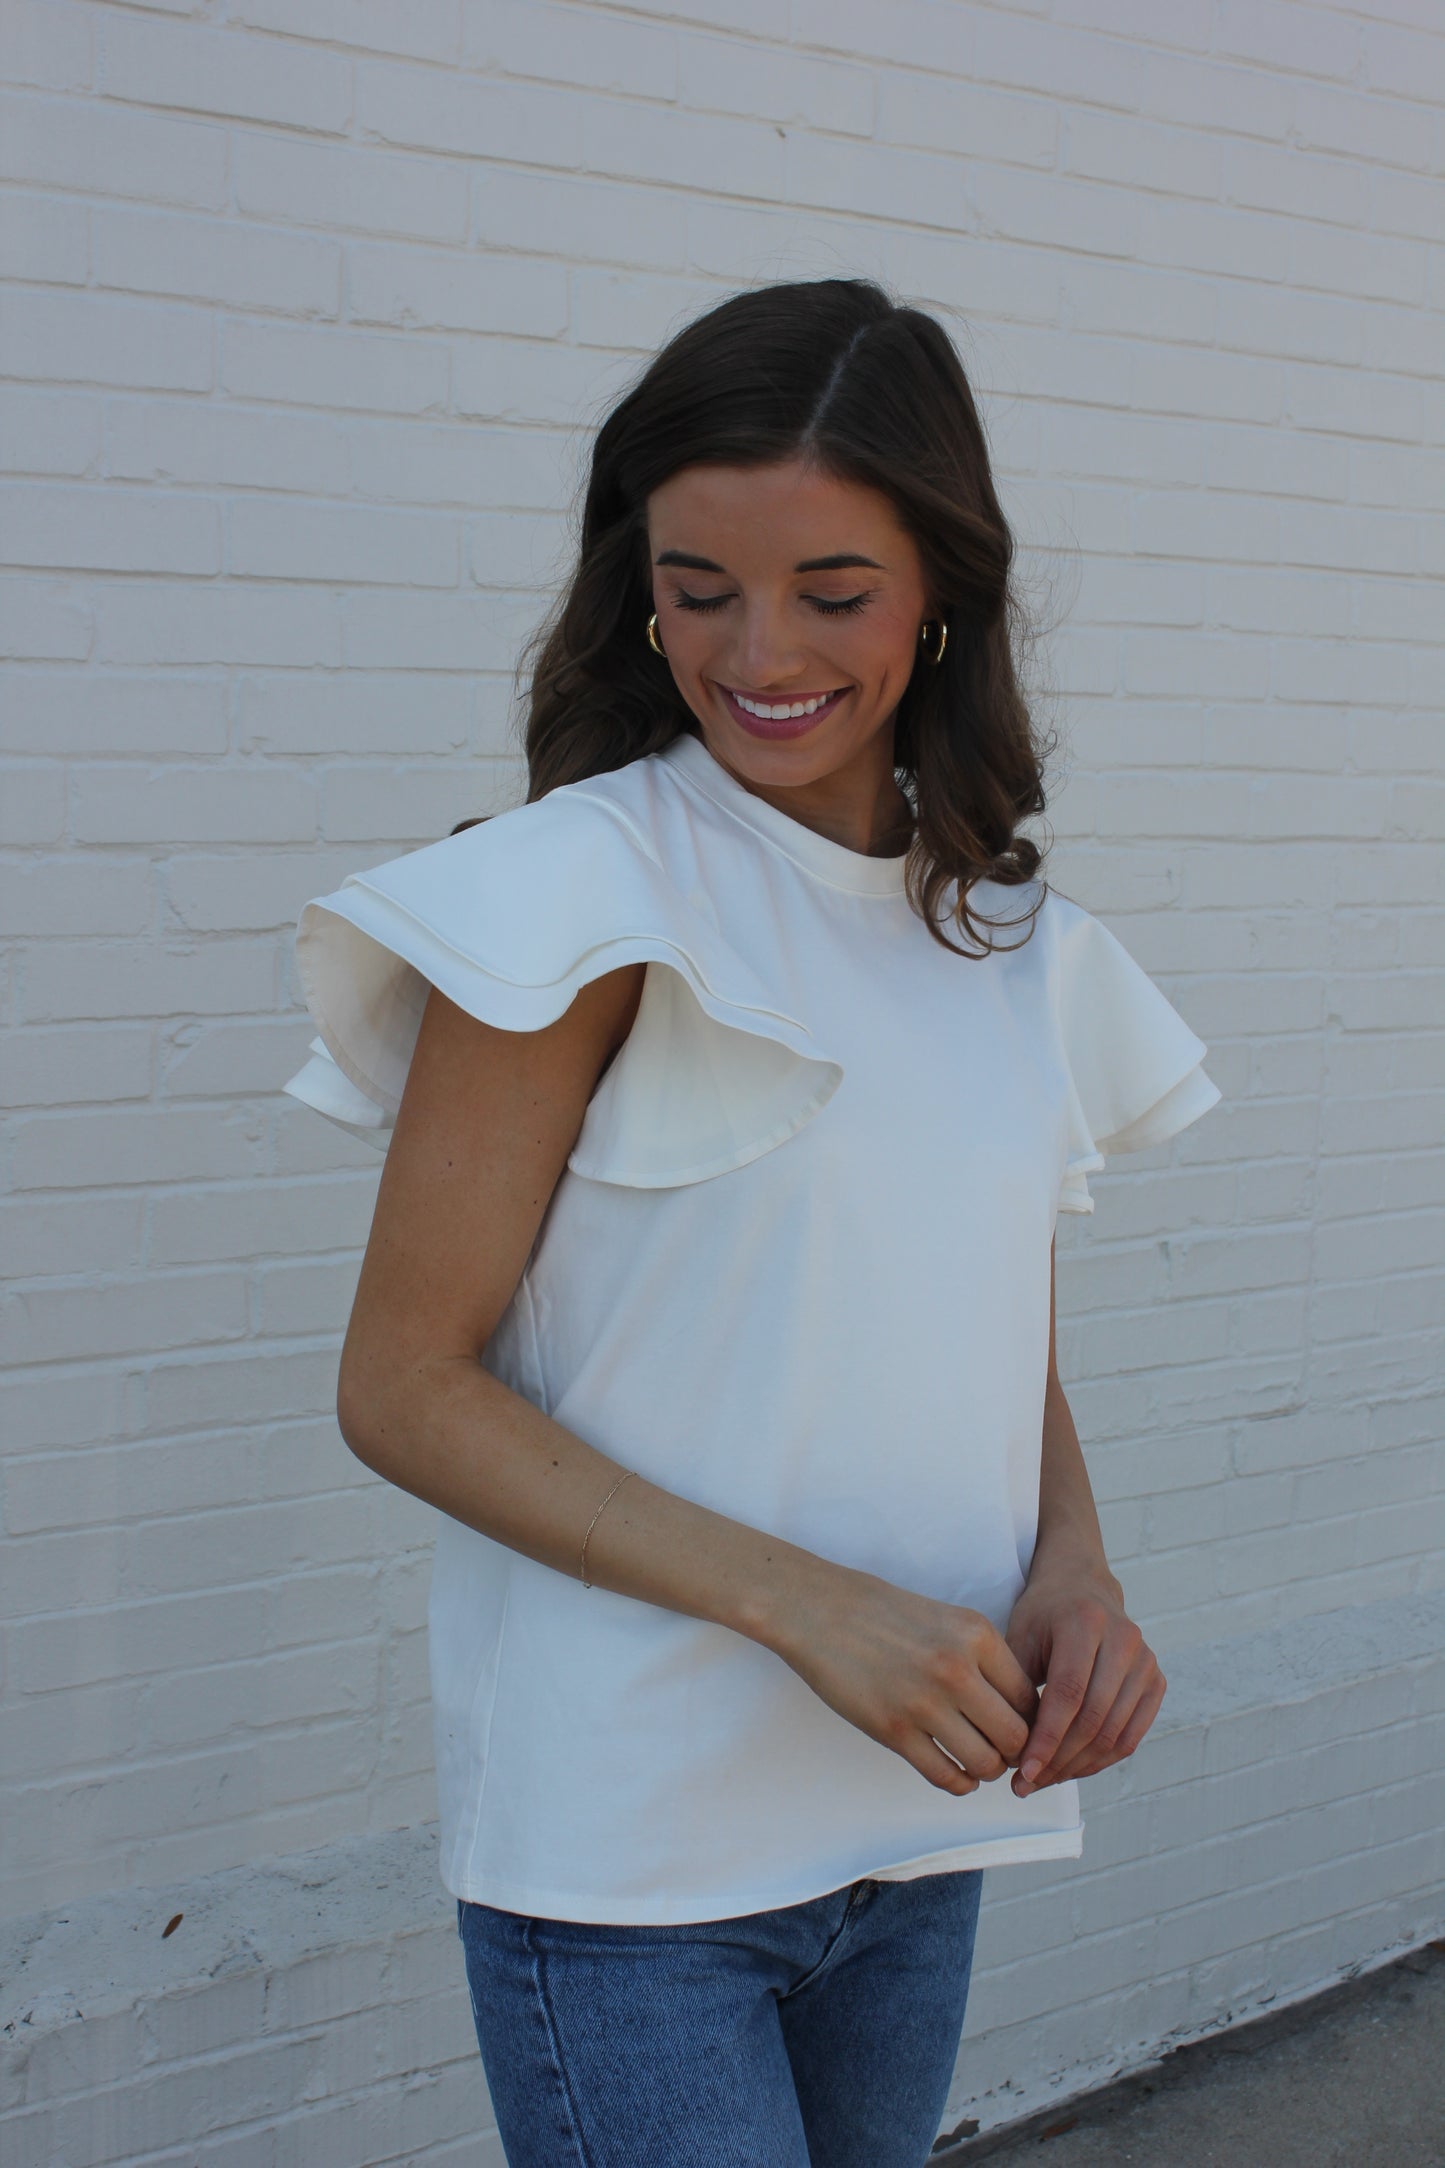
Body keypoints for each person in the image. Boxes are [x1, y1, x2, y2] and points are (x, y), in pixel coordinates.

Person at [283, 278, 1221, 2168]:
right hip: (635, 1861)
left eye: (830, 591)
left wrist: (1076, 1572)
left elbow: (981, 1326)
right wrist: (807, 1610)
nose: (758, 650)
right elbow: (401, 1385)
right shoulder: (574, 899)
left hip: (914, 1818)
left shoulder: (1016, 950)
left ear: (940, 587)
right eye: (697, 586)